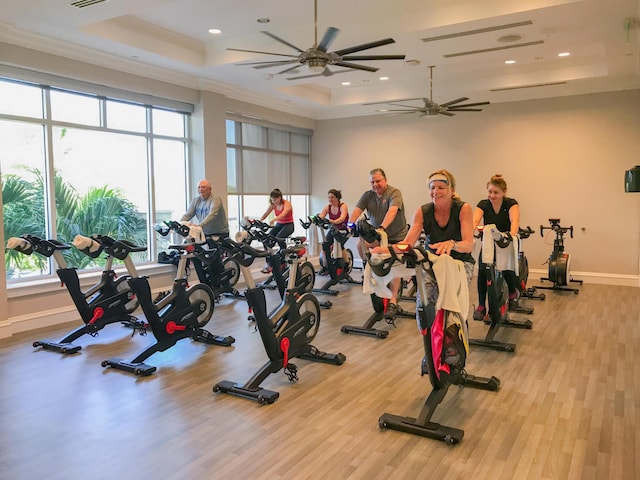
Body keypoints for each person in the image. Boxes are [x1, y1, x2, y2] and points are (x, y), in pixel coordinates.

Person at [372, 169, 475, 308]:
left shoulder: (463, 209)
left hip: (460, 262)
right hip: (431, 262)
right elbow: (407, 244)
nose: (435, 191)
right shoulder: (422, 211)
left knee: (453, 305)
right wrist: (386, 250)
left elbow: (468, 244)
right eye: (432, 188)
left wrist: (452, 244)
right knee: (424, 305)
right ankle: (427, 329)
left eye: (441, 187)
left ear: (451, 190)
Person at [349, 168, 407, 319]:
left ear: (385, 180)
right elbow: (356, 210)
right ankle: (369, 268)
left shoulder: (394, 193)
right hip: (378, 236)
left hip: (395, 236)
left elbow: (392, 211)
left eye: (378, 181)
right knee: (359, 246)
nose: (375, 184)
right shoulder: (368, 195)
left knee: (394, 267)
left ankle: (393, 301)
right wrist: (350, 224)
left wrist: (382, 227)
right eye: (372, 182)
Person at [472, 174, 520, 320]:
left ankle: (513, 291)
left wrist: (511, 236)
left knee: (506, 268)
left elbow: (515, 220)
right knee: (482, 271)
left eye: (495, 192)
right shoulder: (483, 204)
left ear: (503, 193)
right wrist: (472, 231)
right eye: (490, 192)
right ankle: (481, 305)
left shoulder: (510, 203)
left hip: (504, 241)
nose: (492, 195)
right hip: (489, 242)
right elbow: (474, 220)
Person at [259, 188, 295, 273]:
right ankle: (269, 263)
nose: (274, 202)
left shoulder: (287, 204)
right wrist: (259, 221)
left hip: (289, 225)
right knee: (266, 239)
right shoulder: (273, 204)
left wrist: (274, 219)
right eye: (272, 200)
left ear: (279, 197)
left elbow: (284, 214)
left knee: (279, 238)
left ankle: (284, 259)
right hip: (279, 224)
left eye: (275, 200)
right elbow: (266, 213)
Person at [317, 189, 350, 273]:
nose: (330, 199)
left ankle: (346, 264)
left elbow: (342, 217)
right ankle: (325, 266)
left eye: (332, 197)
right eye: (329, 197)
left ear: (337, 197)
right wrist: (316, 219)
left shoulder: (343, 206)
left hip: (343, 229)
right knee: (325, 246)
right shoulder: (328, 207)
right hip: (333, 229)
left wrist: (334, 221)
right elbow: (321, 215)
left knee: (340, 245)